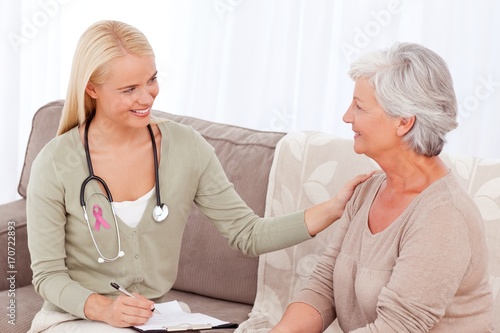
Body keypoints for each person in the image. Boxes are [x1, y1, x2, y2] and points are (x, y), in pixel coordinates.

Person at [26, 20, 373, 332]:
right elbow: (47, 275)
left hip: (153, 320)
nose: (147, 97)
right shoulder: (56, 163)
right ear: (92, 89)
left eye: (152, 80)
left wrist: (334, 208)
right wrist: (102, 308)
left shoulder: (185, 147)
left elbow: (247, 233)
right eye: (129, 89)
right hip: (74, 318)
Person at [271, 43, 494, 332]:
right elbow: (323, 288)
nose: (346, 117)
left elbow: (397, 327)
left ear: (403, 122)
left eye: (359, 106)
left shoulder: (444, 216)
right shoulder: (368, 191)